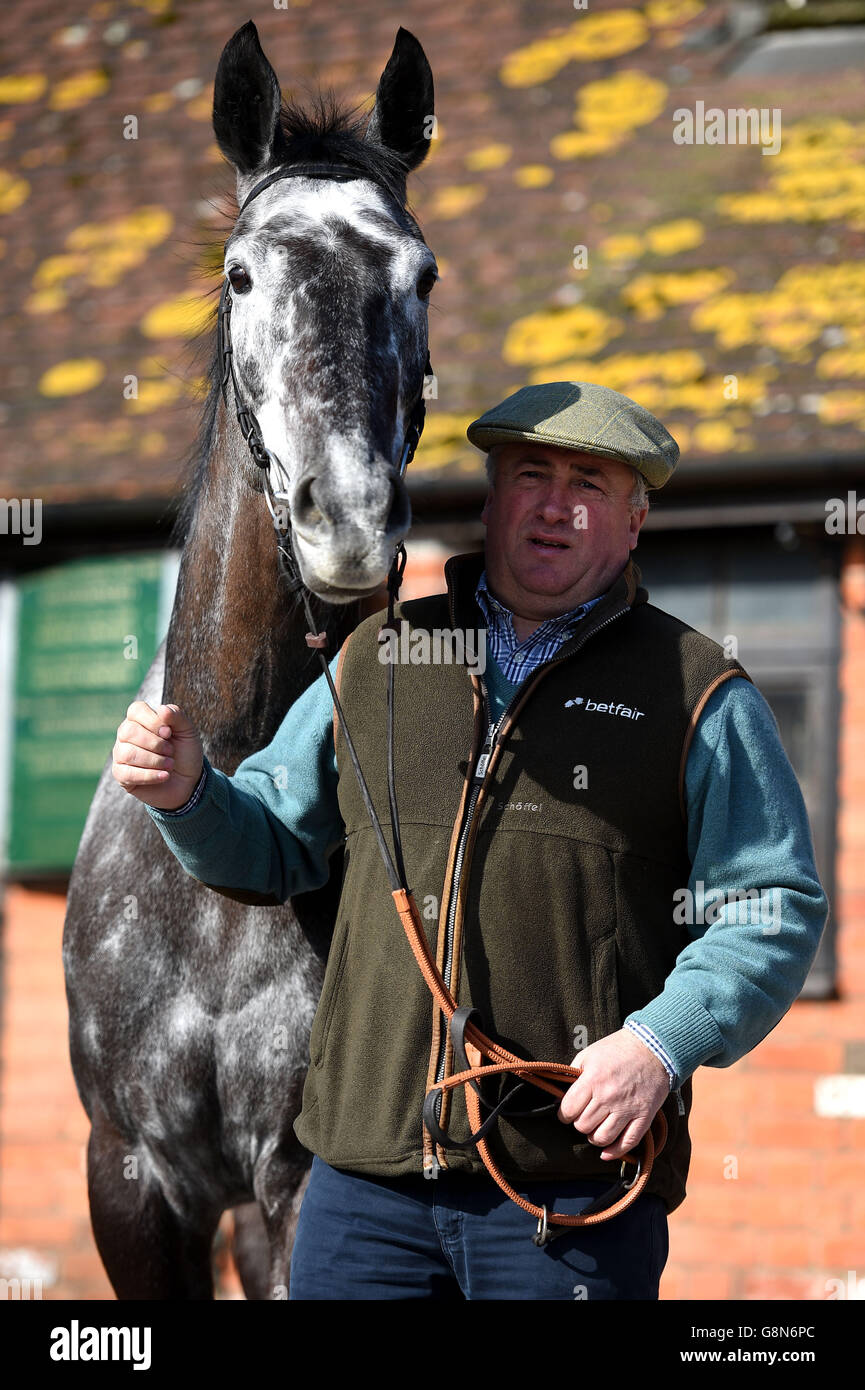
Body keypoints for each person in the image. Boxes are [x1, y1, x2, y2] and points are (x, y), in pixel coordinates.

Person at [113, 381, 828, 1301]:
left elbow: (767, 909)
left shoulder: (697, 691)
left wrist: (658, 1045)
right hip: (360, 1189)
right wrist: (188, 797)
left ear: (634, 520)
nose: (555, 505)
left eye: (591, 484)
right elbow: (271, 844)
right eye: (532, 474)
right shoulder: (377, 657)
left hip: (565, 1195)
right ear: (493, 499)